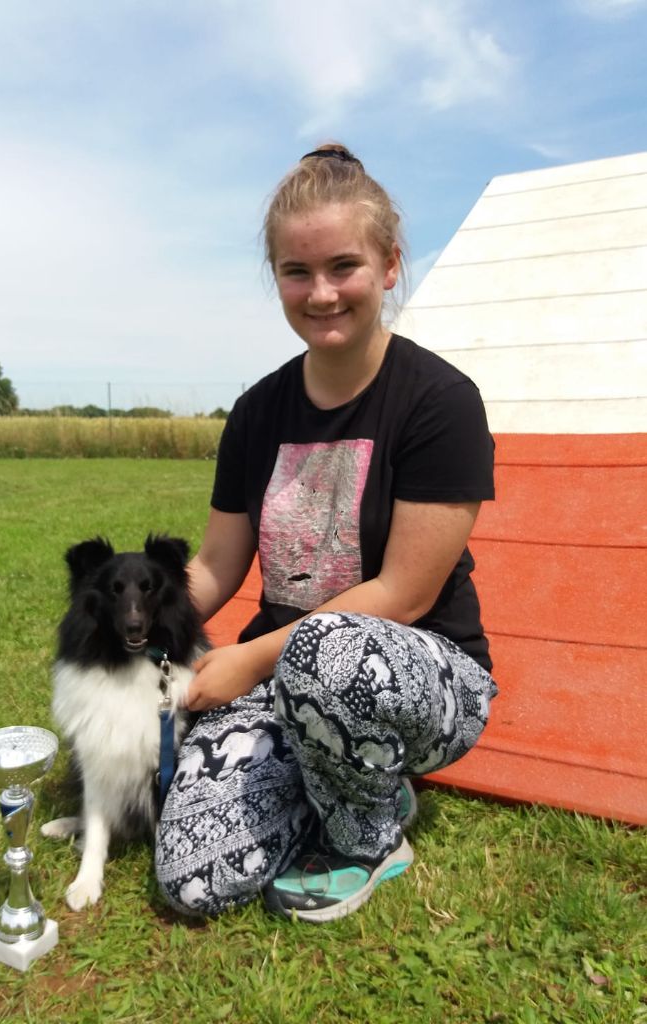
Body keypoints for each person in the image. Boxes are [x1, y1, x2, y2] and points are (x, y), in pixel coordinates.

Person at [155, 143, 498, 922]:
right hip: (284, 680)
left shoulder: (440, 403)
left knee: (328, 646)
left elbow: (404, 596)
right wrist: (138, 624)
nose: (321, 293)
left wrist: (244, 659)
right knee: (193, 876)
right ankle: (325, 775)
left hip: (422, 679)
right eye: (295, 272)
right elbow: (215, 563)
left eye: (343, 266)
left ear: (387, 266)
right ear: (275, 276)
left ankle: (374, 832)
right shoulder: (256, 413)